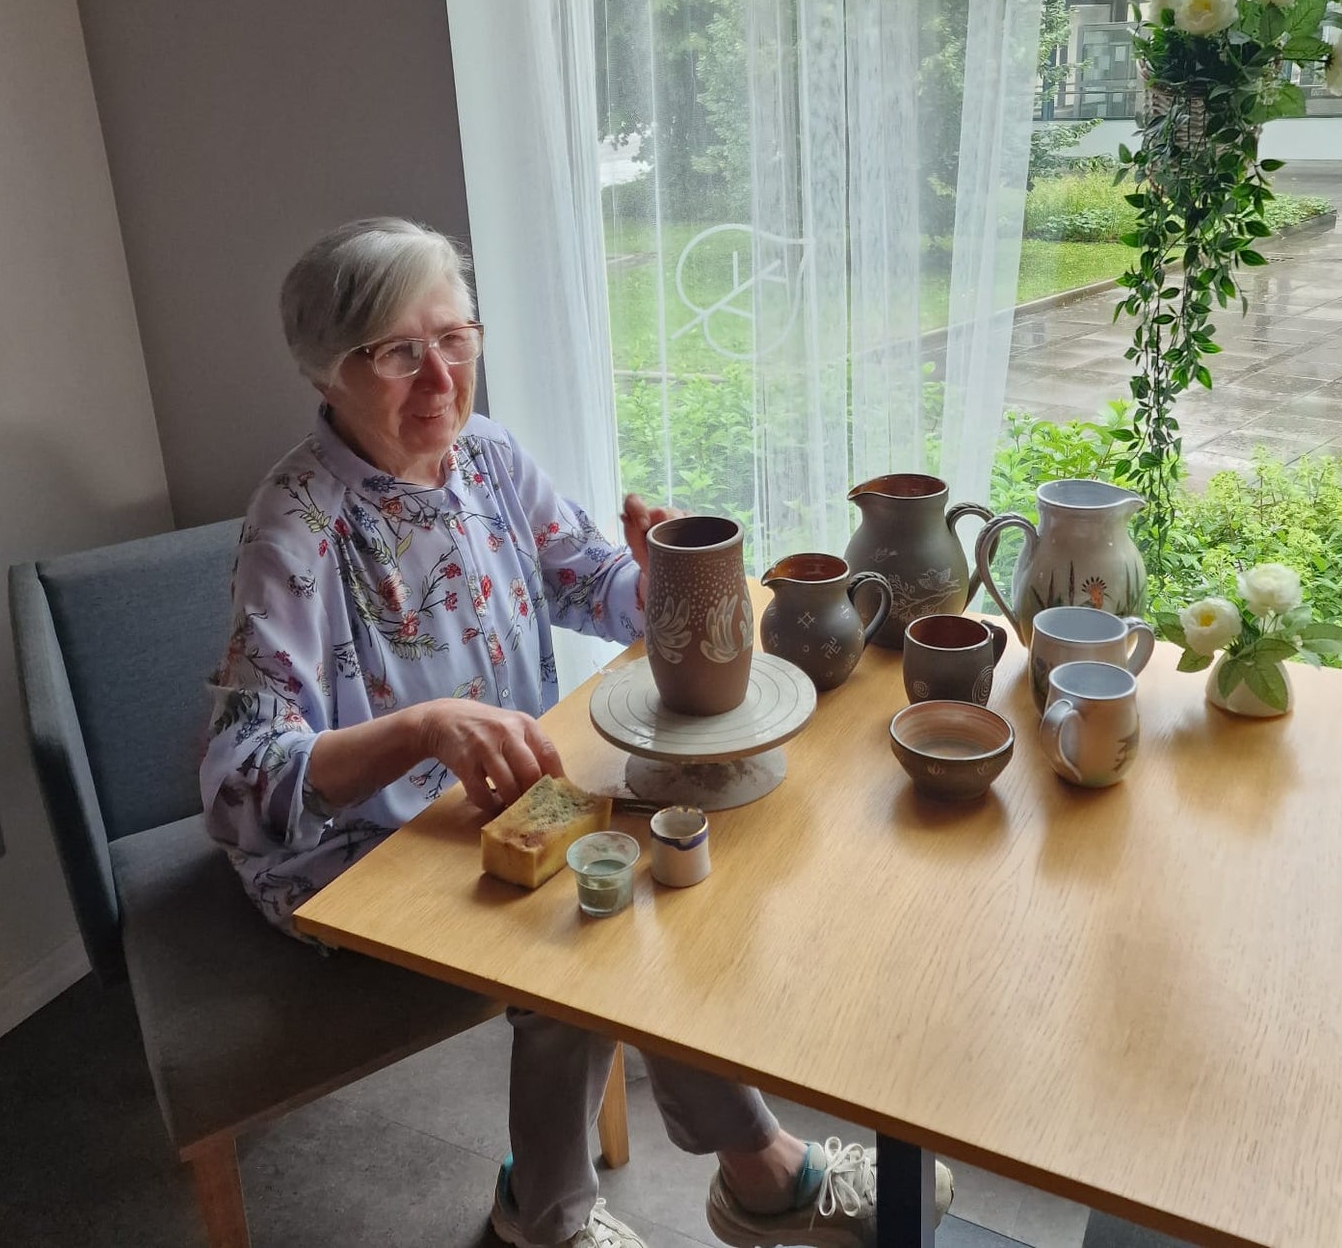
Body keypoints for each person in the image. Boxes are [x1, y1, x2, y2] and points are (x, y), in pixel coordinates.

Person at [201, 218, 952, 1248]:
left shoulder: (489, 457)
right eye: (395, 351)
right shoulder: (296, 525)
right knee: (590, 913)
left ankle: (721, 1171)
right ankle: (601, 1202)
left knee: (667, 850)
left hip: (502, 807)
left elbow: (583, 580)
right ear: (328, 371)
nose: (438, 376)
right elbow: (238, 786)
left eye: (453, 338)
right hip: (350, 853)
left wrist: (651, 575)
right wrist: (418, 728)